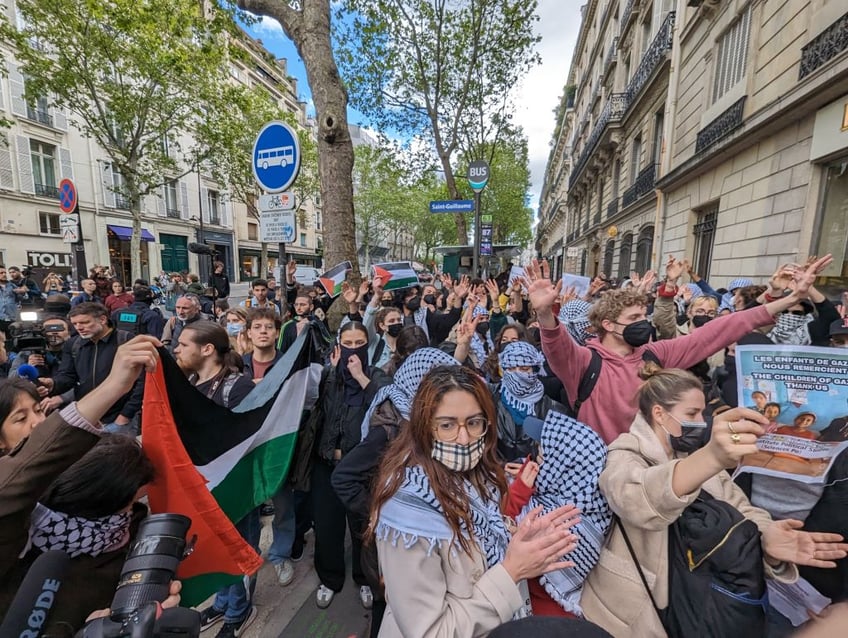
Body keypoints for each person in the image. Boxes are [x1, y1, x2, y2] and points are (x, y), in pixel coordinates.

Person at [580, 364, 848, 637]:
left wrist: (767, 536)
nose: (701, 421)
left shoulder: (691, 456)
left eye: (703, 413)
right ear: (659, 413)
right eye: (692, 414)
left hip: (698, 604)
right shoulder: (625, 452)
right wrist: (712, 457)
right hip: (637, 613)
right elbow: (636, 497)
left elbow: (741, 507)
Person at [369, 365, 581, 637]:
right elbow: (430, 632)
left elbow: (481, 547)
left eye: (473, 422)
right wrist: (512, 572)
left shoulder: (479, 477)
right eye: (446, 425)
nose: (463, 438)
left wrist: (516, 537)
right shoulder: (408, 511)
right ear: (424, 426)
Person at [528, 256, 834, 444]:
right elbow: (557, 344)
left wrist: (789, 297)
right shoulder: (584, 362)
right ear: (608, 325)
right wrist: (544, 314)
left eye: (643, 317)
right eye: (633, 319)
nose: (643, 324)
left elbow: (721, 330)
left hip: (650, 472)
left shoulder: (655, 354)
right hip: (598, 472)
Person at [0, 336, 177, 618]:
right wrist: (111, 387)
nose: (38, 424)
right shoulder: (14, 519)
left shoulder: (127, 528)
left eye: (38, 411)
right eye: (20, 419)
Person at [333, 347, 460, 637]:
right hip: (390, 540)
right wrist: (380, 513)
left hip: (413, 531)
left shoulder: (412, 412)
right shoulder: (391, 425)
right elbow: (344, 478)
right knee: (389, 606)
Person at [0, 426, 155, 633]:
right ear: (96, 503)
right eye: (129, 503)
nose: (131, 513)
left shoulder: (130, 529)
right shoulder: (16, 556)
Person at [174, 323, 260, 637]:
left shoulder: (239, 388)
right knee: (217, 549)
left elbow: (245, 439)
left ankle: (240, 611)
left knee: (238, 550)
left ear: (207, 348)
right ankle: (224, 602)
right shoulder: (193, 383)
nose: (177, 350)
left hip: (235, 488)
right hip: (205, 489)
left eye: (184, 344)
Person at [312, 322, 390, 609]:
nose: (353, 349)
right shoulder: (329, 376)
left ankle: (363, 578)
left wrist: (361, 378)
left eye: (359, 343)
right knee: (327, 526)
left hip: (361, 471)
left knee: (362, 527)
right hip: (326, 464)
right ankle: (329, 578)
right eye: (348, 342)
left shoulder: (376, 376)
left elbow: (388, 405)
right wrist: (332, 373)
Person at [41, 302, 144, 436]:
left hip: (119, 418)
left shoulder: (126, 340)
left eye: (84, 322)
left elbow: (142, 381)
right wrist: (53, 384)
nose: (79, 328)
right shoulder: (73, 344)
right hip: (87, 417)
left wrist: (125, 415)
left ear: (102, 319)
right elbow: (67, 376)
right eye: (75, 324)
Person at [492, 340, 568, 462]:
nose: (517, 374)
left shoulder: (554, 410)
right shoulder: (491, 398)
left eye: (524, 368)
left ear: (535, 370)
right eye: (511, 369)